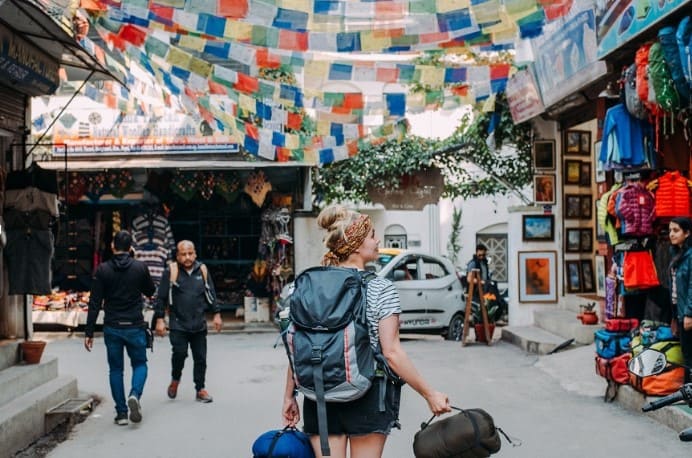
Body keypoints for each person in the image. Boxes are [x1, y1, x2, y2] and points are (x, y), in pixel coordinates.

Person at [282, 205, 450, 458]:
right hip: (368, 395)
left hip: (319, 396)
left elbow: (301, 345)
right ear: (357, 244)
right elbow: (391, 352)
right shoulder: (380, 288)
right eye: (372, 235)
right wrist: (430, 394)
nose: (377, 240)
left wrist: (289, 396)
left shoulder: (304, 286)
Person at [84, 230, 156, 426]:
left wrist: (89, 332)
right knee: (140, 364)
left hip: (113, 327)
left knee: (116, 370)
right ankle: (135, 394)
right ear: (131, 247)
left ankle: (122, 413)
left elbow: (94, 303)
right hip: (134, 325)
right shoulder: (140, 268)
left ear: (112, 247)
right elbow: (151, 291)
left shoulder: (102, 270)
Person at [154, 240, 223, 403]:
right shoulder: (171, 271)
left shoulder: (203, 270)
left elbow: (211, 293)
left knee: (201, 358)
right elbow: (161, 298)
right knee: (180, 353)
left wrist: (217, 314)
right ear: (177, 256)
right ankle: (175, 379)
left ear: (195, 254)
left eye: (190, 253)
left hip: (198, 323)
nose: (187, 257)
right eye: (183, 254)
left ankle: (200, 389)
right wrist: (159, 319)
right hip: (178, 323)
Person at [668, 217, 692, 382]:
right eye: (670, 230)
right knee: (686, 352)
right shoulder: (677, 254)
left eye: (676, 230)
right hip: (680, 311)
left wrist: (689, 313)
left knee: (690, 353)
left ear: (687, 232)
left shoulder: (690, 256)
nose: (671, 234)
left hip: (688, 312)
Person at [466, 244, 507, 323]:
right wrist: (481, 282)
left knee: (498, 301)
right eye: (479, 255)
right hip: (477, 290)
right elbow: (469, 279)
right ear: (476, 253)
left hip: (486, 289)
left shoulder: (485, 263)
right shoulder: (473, 263)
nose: (481, 257)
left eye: (483, 255)